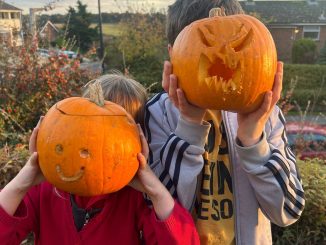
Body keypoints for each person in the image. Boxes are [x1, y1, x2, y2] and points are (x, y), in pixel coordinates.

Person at [144, 0, 305, 244]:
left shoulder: (266, 115)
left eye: (238, 46)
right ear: (172, 54)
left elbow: (289, 210)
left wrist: (253, 140)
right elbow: (160, 206)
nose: (223, 56)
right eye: (202, 47)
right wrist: (188, 125)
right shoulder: (157, 114)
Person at [0, 73, 200, 245]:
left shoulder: (138, 198)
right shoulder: (46, 189)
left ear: (140, 140)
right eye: (90, 126)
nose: (99, 145)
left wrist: (156, 191)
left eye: (117, 134)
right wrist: (22, 182)